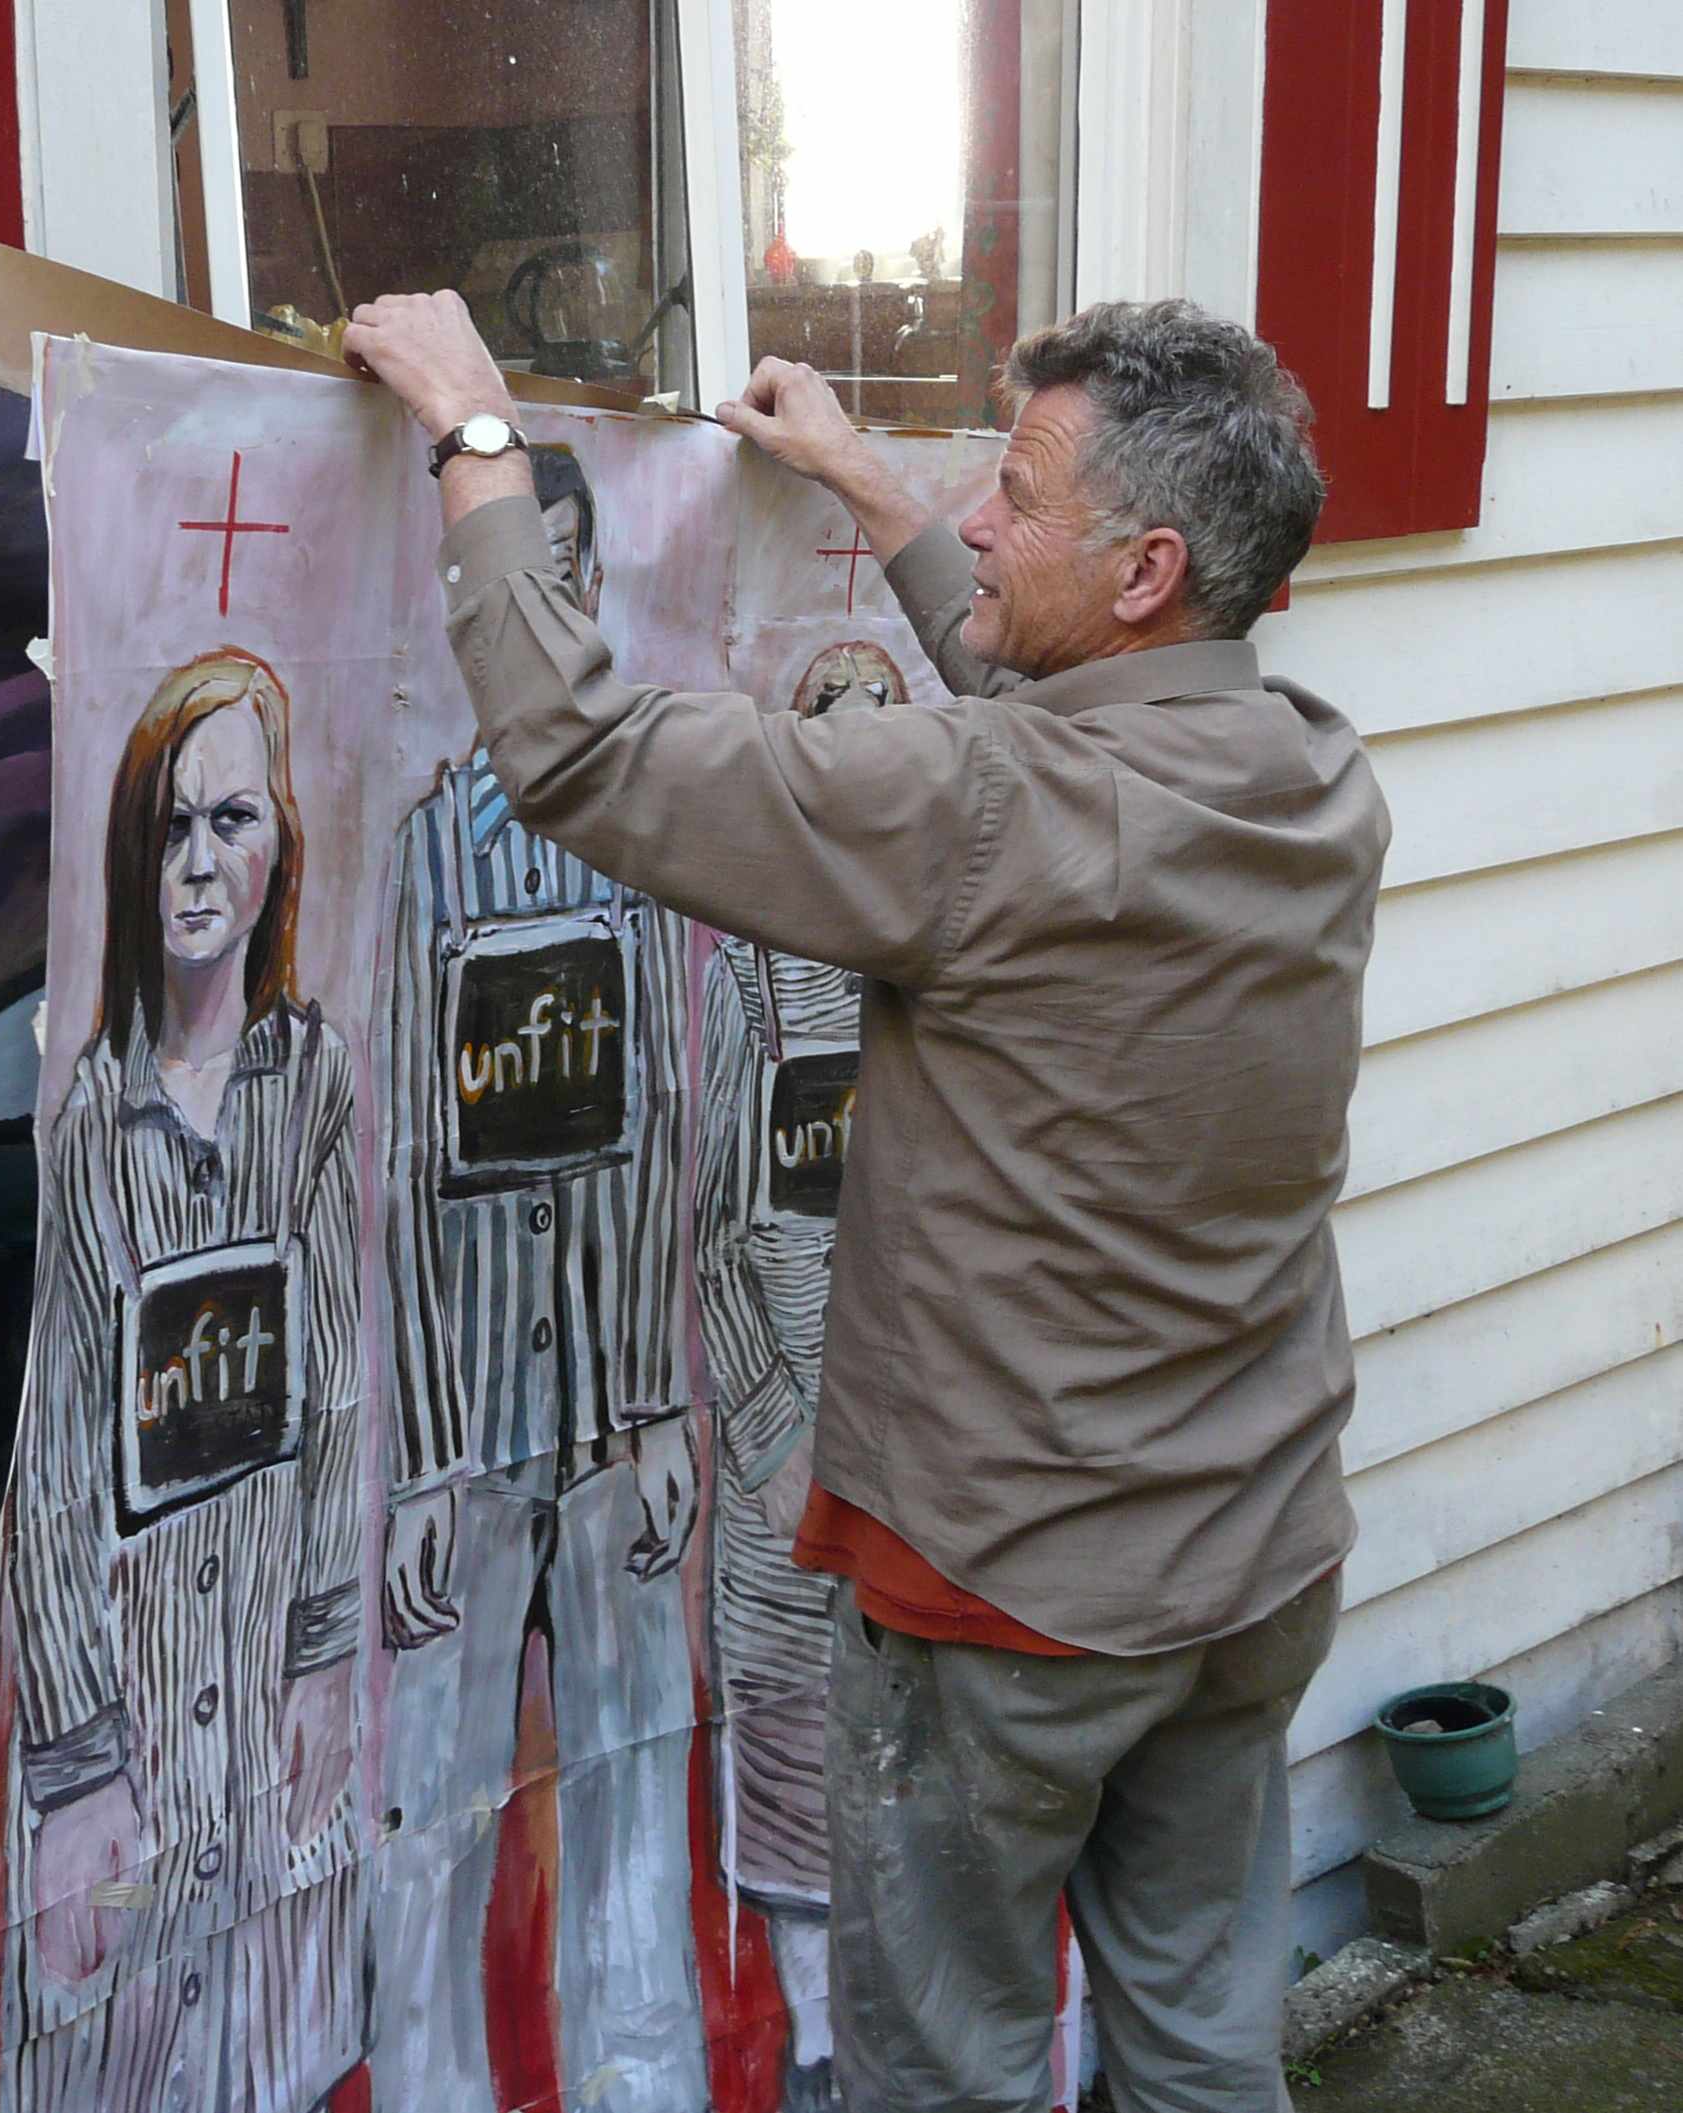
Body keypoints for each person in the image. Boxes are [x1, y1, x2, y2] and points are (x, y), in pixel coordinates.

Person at [344, 291, 1389, 2113]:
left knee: (946, 2066)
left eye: (1018, 495)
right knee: (1204, 2040)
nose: (975, 514)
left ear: (1144, 570)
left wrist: (477, 435)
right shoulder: (1310, 771)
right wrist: (861, 480)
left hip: (1007, 1599)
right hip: (1252, 1559)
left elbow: (586, 756)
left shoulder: (987, 811)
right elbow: (1053, 746)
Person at [373, 440, 708, 2113]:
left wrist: (655, 1407)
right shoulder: (420, 856)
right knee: (430, 1819)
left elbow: (661, 1129)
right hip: (472, 1428)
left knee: (635, 1790)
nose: (555, 603)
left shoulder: (646, 841)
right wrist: (429, 1458)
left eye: (577, 571)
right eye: (529, 571)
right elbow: (406, 1180)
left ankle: (640, 2085)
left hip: (616, 1405)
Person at [0, 649, 368, 2113]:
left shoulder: (314, 1080)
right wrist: (79, 1765)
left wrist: (329, 1648)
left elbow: (333, 1386)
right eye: (171, 826)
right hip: (138, 1714)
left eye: (234, 820)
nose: (201, 864)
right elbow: (58, 1460)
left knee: (268, 2042)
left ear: (280, 846)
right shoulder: (92, 1121)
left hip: (271, 1682)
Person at [694, 641, 912, 2113]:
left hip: (923, 1473)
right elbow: (705, 1237)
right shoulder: (751, 983)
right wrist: (771, 1439)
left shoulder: (939, 960)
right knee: (789, 1785)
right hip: (785, 1492)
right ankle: (822, 2063)